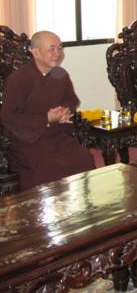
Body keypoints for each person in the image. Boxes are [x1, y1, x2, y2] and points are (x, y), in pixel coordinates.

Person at [1, 31, 95, 190]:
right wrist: (45, 118)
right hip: (28, 139)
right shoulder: (19, 79)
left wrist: (65, 113)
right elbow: (9, 116)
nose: (57, 53)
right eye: (51, 49)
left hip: (56, 133)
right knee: (50, 166)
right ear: (36, 52)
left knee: (83, 157)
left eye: (60, 48)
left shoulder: (61, 75)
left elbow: (70, 101)